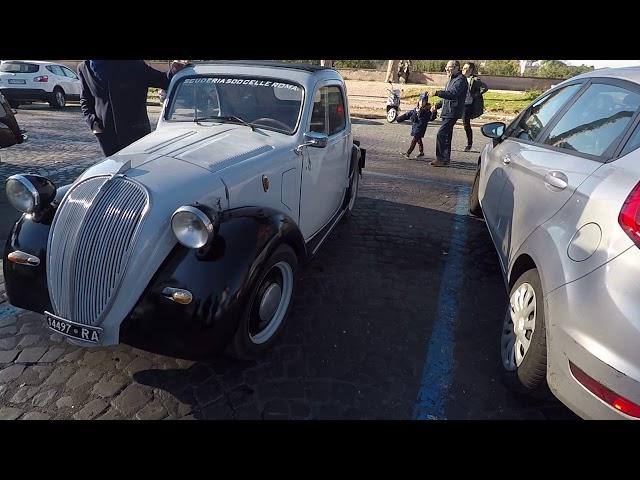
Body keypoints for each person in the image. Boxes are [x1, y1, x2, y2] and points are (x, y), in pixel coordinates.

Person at [77, 60, 188, 157]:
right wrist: (93, 123)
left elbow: (160, 79)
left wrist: (173, 71)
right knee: (115, 173)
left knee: (140, 172)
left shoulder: (131, 63)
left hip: (135, 133)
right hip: (107, 135)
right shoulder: (84, 68)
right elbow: (85, 100)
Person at [430, 60, 469, 167]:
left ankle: (440, 158)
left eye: (450, 67)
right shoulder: (452, 79)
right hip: (447, 111)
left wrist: (437, 92)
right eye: (446, 67)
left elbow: (452, 94)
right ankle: (445, 159)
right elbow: (447, 97)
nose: (447, 69)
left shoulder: (460, 80)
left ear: (457, 67)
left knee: (441, 134)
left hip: (453, 111)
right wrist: (437, 105)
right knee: (447, 136)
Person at [397, 93, 437, 159]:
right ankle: (421, 153)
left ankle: (408, 153)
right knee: (419, 140)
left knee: (414, 140)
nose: (422, 103)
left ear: (426, 102)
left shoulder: (427, 111)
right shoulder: (416, 109)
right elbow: (408, 114)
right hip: (415, 127)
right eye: (421, 101)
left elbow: (431, 118)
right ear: (419, 101)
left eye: (424, 101)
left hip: (421, 128)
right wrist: (399, 119)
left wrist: (434, 112)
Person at [461, 62, 489, 151]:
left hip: (467, 105)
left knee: (466, 124)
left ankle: (469, 144)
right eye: (463, 68)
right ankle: (446, 142)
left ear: (471, 70)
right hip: (458, 104)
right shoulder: (460, 78)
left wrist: (475, 94)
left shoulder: (475, 80)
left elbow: (485, 87)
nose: (464, 70)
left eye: (466, 69)